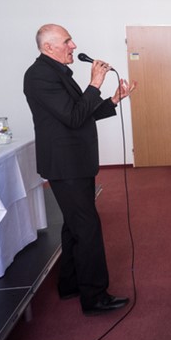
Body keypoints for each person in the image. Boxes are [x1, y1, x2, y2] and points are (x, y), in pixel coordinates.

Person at [23, 24, 135, 315]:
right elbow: (74, 117)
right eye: (67, 41)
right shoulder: (38, 75)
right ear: (49, 47)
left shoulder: (58, 72)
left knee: (74, 224)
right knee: (87, 228)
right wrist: (95, 84)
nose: (73, 46)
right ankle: (94, 297)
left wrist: (113, 100)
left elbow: (82, 114)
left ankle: (70, 283)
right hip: (66, 165)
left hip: (75, 162)